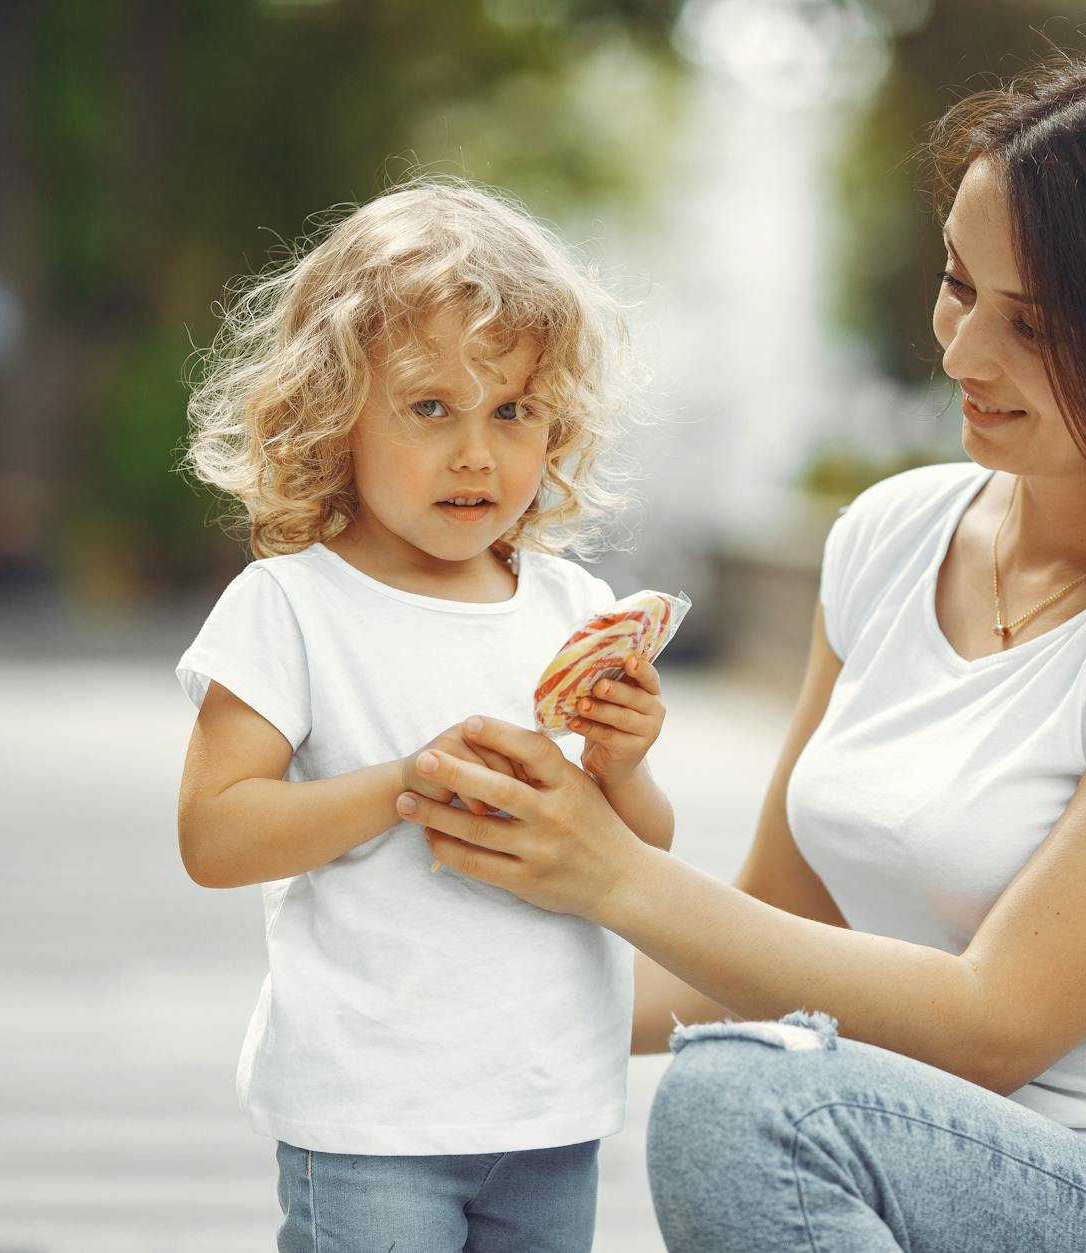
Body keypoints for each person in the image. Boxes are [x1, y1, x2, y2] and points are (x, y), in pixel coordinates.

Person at [397, 29, 1086, 1253]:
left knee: (752, 1103)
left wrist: (610, 868)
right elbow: (755, 946)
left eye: (1036, 324)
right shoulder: (894, 536)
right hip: (922, 1193)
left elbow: (991, 1022)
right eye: (960, 285)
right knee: (743, 1083)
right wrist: (429, 1005)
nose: (961, 350)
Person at [174, 177, 675, 1253]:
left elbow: (641, 856)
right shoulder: (292, 605)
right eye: (429, 406)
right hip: (367, 1109)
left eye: (512, 412)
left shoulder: (574, 610)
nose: (474, 453)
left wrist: (626, 766)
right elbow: (216, 834)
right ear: (332, 407)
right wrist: (406, 782)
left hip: (549, 1101)